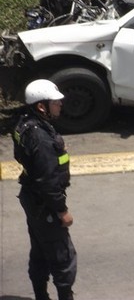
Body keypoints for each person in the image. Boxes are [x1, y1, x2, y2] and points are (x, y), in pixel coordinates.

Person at [12, 79, 77, 300]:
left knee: (40, 250)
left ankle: (41, 296)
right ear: (42, 106)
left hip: (32, 199)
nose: (60, 105)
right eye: (55, 103)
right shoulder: (40, 136)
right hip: (45, 204)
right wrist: (62, 210)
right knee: (62, 257)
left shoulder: (25, 124)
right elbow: (48, 181)